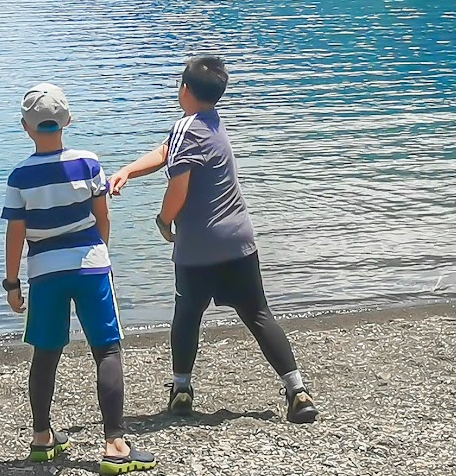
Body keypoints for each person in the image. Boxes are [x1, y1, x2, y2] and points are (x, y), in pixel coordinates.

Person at [109, 55, 320, 424]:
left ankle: (182, 390)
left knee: (187, 317)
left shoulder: (185, 129)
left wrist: (163, 221)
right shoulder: (209, 123)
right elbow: (165, 153)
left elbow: (179, 187)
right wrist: (128, 171)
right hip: (239, 241)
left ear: (184, 90)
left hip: (198, 248)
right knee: (257, 313)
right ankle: (297, 390)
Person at [1, 83, 155, 476]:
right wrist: (99, 251)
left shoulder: (19, 177)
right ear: (68, 121)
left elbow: (15, 234)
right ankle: (115, 443)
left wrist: (12, 282)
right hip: (90, 265)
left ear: (25, 127)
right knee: (106, 350)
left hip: (45, 273)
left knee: (46, 353)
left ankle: (41, 437)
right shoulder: (88, 163)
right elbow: (102, 216)